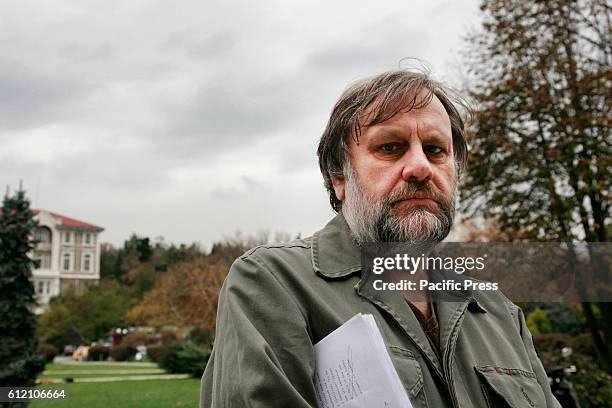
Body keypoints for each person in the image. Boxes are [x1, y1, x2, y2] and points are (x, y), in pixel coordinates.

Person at [200, 70, 560, 407]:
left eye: (436, 150)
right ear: (339, 177)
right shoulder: (272, 283)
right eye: (390, 147)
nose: (420, 167)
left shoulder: (498, 310)